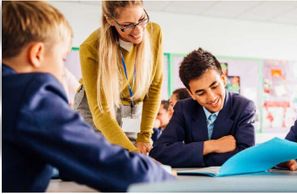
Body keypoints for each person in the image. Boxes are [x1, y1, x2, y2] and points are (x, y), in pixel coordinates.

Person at [2, 1, 174, 192]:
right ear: (37, 54)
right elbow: (99, 158)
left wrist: (143, 138)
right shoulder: (31, 96)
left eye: (141, 20)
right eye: (63, 59)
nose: (62, 71)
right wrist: (160, 173)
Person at [74, 1, 163, 154]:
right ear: (110, 20)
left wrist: (144, 136)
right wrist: (133, 155)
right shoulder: (91, 47)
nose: (138, 30)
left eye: (141, 19)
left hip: (132, 104)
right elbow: (101, 112)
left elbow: (154, 87)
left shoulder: (154, 32)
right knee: (101, 159)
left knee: (135, 157)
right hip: (97, 109)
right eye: (127, 25)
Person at [150, 48, 256, 167]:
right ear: (191, 94)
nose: (211, 97)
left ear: (223, 79)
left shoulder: (244, 107)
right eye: (201, 93)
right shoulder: (184, 108)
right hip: (194, 182)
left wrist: (193, 157)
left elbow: (246, 157)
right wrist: (211, 145)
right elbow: (159, 153)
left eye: (214, 86)